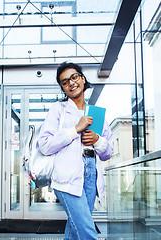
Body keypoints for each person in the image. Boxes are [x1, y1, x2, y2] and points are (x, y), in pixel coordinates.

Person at [38, 62, 113, 240]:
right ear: (63, 88)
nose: (71, 83)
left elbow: (108, 152)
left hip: (91, 176)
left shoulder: (96, 113)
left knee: (75, 231)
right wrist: (75, 129)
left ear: (82, 78)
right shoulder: (59, 109)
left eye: (74, 77)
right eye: (65, 82)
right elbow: (45, 145)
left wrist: (98, 141)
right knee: (87, 232)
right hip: (67, 177)